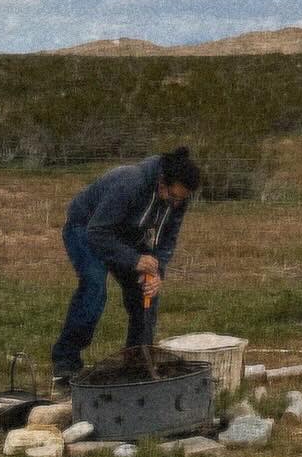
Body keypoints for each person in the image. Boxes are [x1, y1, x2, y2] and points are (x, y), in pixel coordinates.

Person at [51, 146, 201, 387]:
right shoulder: (130, 183)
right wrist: (134, 260)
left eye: (181, 200)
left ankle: (136, 362)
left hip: (126, 235)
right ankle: (66, 363)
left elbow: (167, 239)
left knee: (146, 293)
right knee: (94, 286)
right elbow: (97, 232)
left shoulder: (178, 198)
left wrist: (156, 271)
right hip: (86, 228)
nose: (175, 204)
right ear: (162, 183)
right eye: (173, 197)